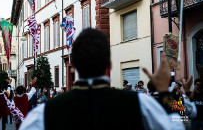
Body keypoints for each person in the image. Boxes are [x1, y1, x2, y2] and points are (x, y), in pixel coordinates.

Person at [19, 28, 187, 130]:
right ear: (109, 65)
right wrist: (164, 93)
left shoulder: (43, 114)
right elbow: (175, 126)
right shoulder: (141, 105)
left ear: (74, 66)